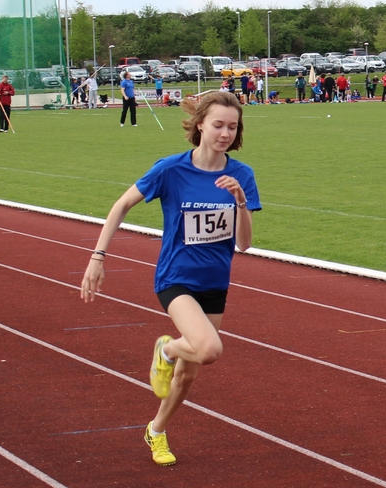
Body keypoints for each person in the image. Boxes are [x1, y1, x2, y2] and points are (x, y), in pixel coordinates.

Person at [80, 91, 261, 466]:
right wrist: (98, 256)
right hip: (176, 279)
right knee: (208, 350)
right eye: (218, 125)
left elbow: (243, 244)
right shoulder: (171, 170)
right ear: (200, 125)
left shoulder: (241, 175)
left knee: (187, 376)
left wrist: (241, 201)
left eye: (232, 127)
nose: (225, 133)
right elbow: (121, 205)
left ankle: (156, 430)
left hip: (215, 282)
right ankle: (166, 349)